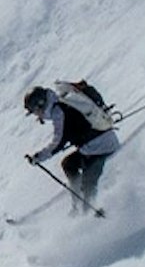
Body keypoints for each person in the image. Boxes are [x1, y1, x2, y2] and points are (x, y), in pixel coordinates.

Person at [23, 82, 120, 210]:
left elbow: (58, 143)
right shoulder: (61, 103)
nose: (36, 115)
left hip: (100, 147)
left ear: (40, 104)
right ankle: (78, 202)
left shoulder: (59, 112)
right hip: (94, 145)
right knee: (69, 164)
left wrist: (39, 157)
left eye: (35, 111)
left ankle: (90, 212)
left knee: (88, 184)